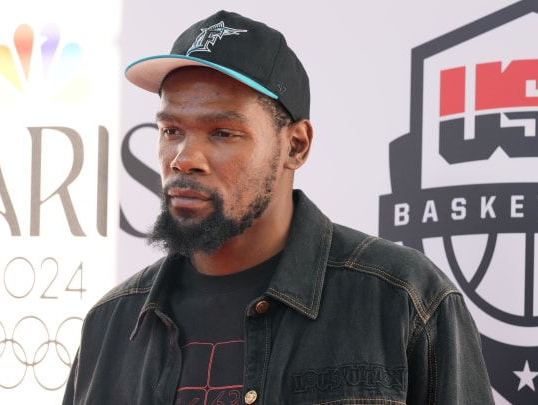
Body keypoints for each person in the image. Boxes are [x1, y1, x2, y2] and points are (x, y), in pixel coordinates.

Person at [62, 10, 495, 405]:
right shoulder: (110, 325)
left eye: (223, 133)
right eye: (171, 130)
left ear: (296, 145)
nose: (183, 158)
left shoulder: (403, 299)